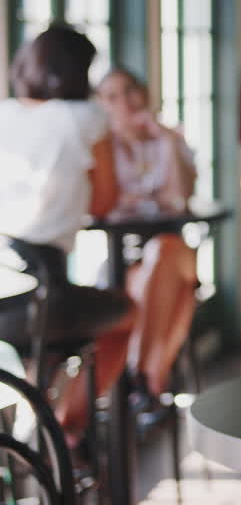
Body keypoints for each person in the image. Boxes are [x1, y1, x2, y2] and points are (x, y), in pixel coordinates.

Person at [0, 25, 135, 441]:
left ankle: (34, 429)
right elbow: (105, 202)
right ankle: (65, 428)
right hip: (42, 293)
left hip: (3, 291)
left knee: (52, 342)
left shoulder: (4, 113)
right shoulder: (87, 118)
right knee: (125, 317)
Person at [96, 69, 200, 400]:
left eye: (129, 91)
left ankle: (139, 370)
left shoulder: (170, 140)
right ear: (101, 104)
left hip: (175, 250)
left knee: (163, 250)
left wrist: (168, 142)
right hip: (124, 260)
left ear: (143, 94)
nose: (124, 102)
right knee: (162, 290)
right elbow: (102, 205)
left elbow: (180, 197)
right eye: (111, 96)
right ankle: (151, 374)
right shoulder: (103, 149)